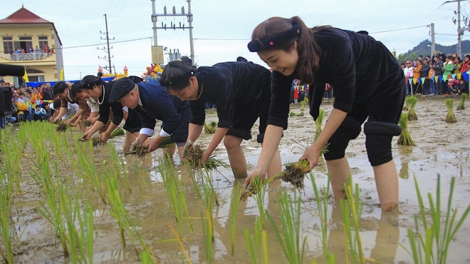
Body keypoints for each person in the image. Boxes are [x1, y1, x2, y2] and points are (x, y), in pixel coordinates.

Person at [245, 16, 405, 212]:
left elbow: (344, 103)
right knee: (333, 145)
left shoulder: (335, 43)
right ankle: (344, 209)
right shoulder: (280, 70)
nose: (273, 67)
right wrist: (261, 167)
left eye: (274, 60)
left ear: (294, 45)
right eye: (267, 62)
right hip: (353, 87)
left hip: (383, 78)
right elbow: (276, 118)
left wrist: (316, 146)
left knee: (377, 144)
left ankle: (390, 217)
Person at [160, 59, 282, 179]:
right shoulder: (193, 93)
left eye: (181, 94)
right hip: (240, 99)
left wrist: (206, 155)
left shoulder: (217, 79)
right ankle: (240, 183)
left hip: (263, 85)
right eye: (178, 96)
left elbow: (224, 123)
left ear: (192, 81)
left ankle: (275, 190)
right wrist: (189, 143)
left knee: (267, 140)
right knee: (230, 142)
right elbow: (196, 121)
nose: (182, 99)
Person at [108, 77, 190, 161]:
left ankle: (187, 169)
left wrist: (157, 140)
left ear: (132, 94)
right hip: (169, 114)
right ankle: (170, 165)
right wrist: (139, 141)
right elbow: (147, 121)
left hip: (182, 109)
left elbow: (173, 119)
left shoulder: (154, 96)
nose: (123, 105)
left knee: (180, 139)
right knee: (168, 140)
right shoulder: (137, 101)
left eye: (122, 101)